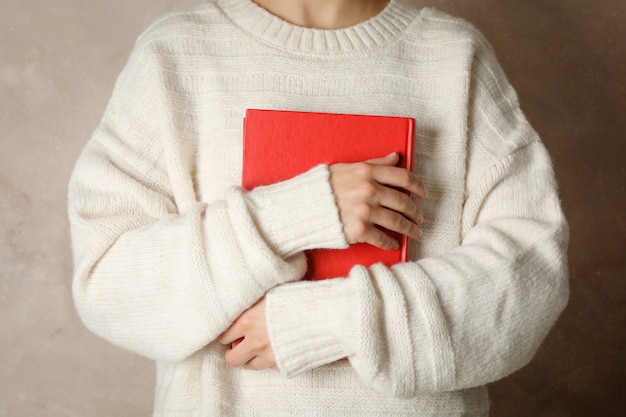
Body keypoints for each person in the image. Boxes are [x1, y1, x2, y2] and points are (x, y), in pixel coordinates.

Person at [67, 0, 569, 415]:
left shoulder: (454, 57)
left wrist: (324, 321)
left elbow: (529, 284)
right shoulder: (177, 54)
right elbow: (108, 285)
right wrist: (295, 214)